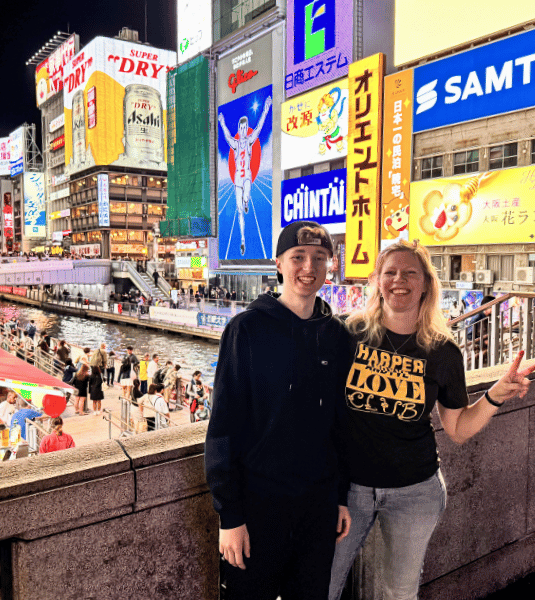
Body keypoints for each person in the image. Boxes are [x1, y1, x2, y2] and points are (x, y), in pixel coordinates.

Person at [328, 240, 535, 600]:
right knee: (322, 585)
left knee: (399, 593)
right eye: (390, 272)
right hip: (348, 490)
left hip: (415, 491)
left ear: (426, 283)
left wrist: (494, 396)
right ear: (377, 281)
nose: (400, 280)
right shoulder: (348, 334)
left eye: (410, 273)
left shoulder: (442, 350)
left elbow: (457, 428)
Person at [205, 221, 352, 600]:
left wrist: (341, 497)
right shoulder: (246, 329)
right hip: (258, 507)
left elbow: (341, 425)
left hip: (318, 508)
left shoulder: (337, 335)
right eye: (298, 257)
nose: (309, 268)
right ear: (279, 263)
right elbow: (223, 427)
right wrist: (230, 516)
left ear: (330, 265)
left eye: (319, 258)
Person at [217, 95, 272, 256]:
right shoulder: (235, 144)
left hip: (246, 175)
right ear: (238, 130)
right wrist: (221, 122)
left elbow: (260, 127)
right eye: (240, 128)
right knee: (239, 210)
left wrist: (266, 108)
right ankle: (242, 240)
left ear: (246, 128)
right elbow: (227, 135)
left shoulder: (249, 141)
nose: (242, 131)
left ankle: (247, 200)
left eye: (244, 128)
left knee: (246, 195)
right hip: (237, 179)